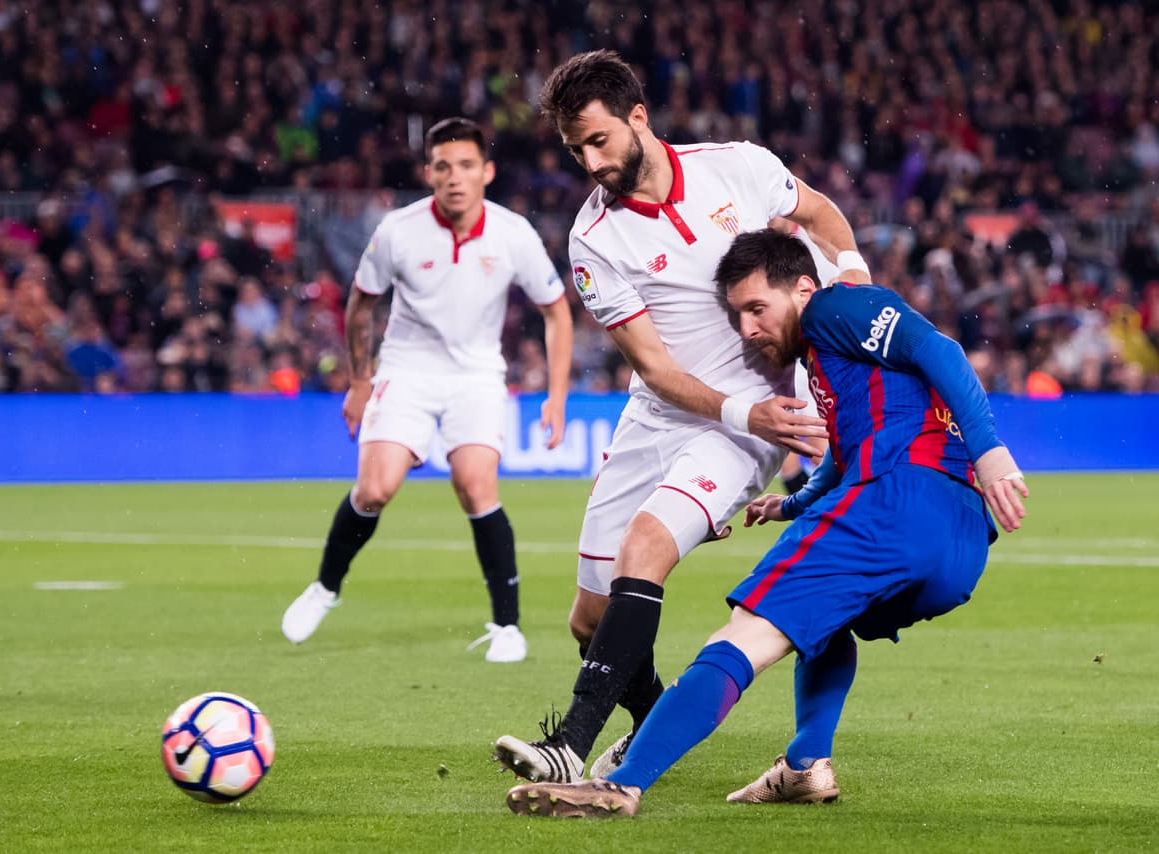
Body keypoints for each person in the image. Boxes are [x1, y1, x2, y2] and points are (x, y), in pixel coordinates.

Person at [504, 227, 1030, 817]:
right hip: (957, 540)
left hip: (892, 504)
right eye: (737, 315)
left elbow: (941, 350)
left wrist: (990, 450)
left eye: (758, 308)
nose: (748, 329)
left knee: (745, 634)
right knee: (826, 625)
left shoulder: (837, 306)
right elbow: (850, 447)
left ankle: (622, 783)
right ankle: (806, 765)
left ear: (803, 288)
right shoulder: (834, 363)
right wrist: (795, 503)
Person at [492, 50, 871, 781]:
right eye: (575, 149)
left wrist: (851, 278)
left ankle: (568, 746)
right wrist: (743, 409)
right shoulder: (593, 240)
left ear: (639, 117)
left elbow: (819, 214)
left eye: (598, 140)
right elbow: (657, 371)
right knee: (588, 620)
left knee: (647, 545)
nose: (588, 161)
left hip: (743, 430)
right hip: (663, 415)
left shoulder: (737, 166)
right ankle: (648, 725)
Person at [280, 117, 573, 663]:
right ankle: (325, 588)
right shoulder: (398, 230)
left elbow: (556, 311)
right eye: (443, 166)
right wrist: (361, 381)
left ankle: (507, 626)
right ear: (428, 173)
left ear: (487, 171)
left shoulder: (512, 233)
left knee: (475, 485)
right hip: (406, 370)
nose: (454, 177)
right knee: (374, 490)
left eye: (466, 165)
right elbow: (361, 304)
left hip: (476, 374)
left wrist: (556, 396)